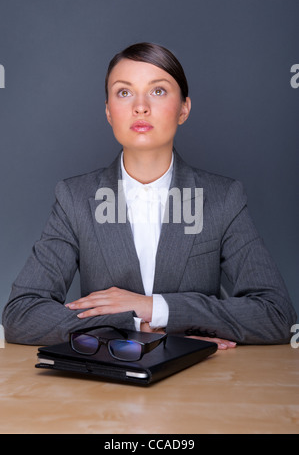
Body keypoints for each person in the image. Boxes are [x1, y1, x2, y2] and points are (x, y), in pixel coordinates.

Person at [2, 42, 296, 350]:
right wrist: (135, 325)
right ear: (108, 111)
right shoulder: (75, 198)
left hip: (199, 387)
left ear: (184, 108)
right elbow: (21, 315)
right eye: (124, 92)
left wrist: (156, 308)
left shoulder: (223, 198)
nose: (140, 106)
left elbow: (276, 315)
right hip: (105, 387)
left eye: (158, 91)